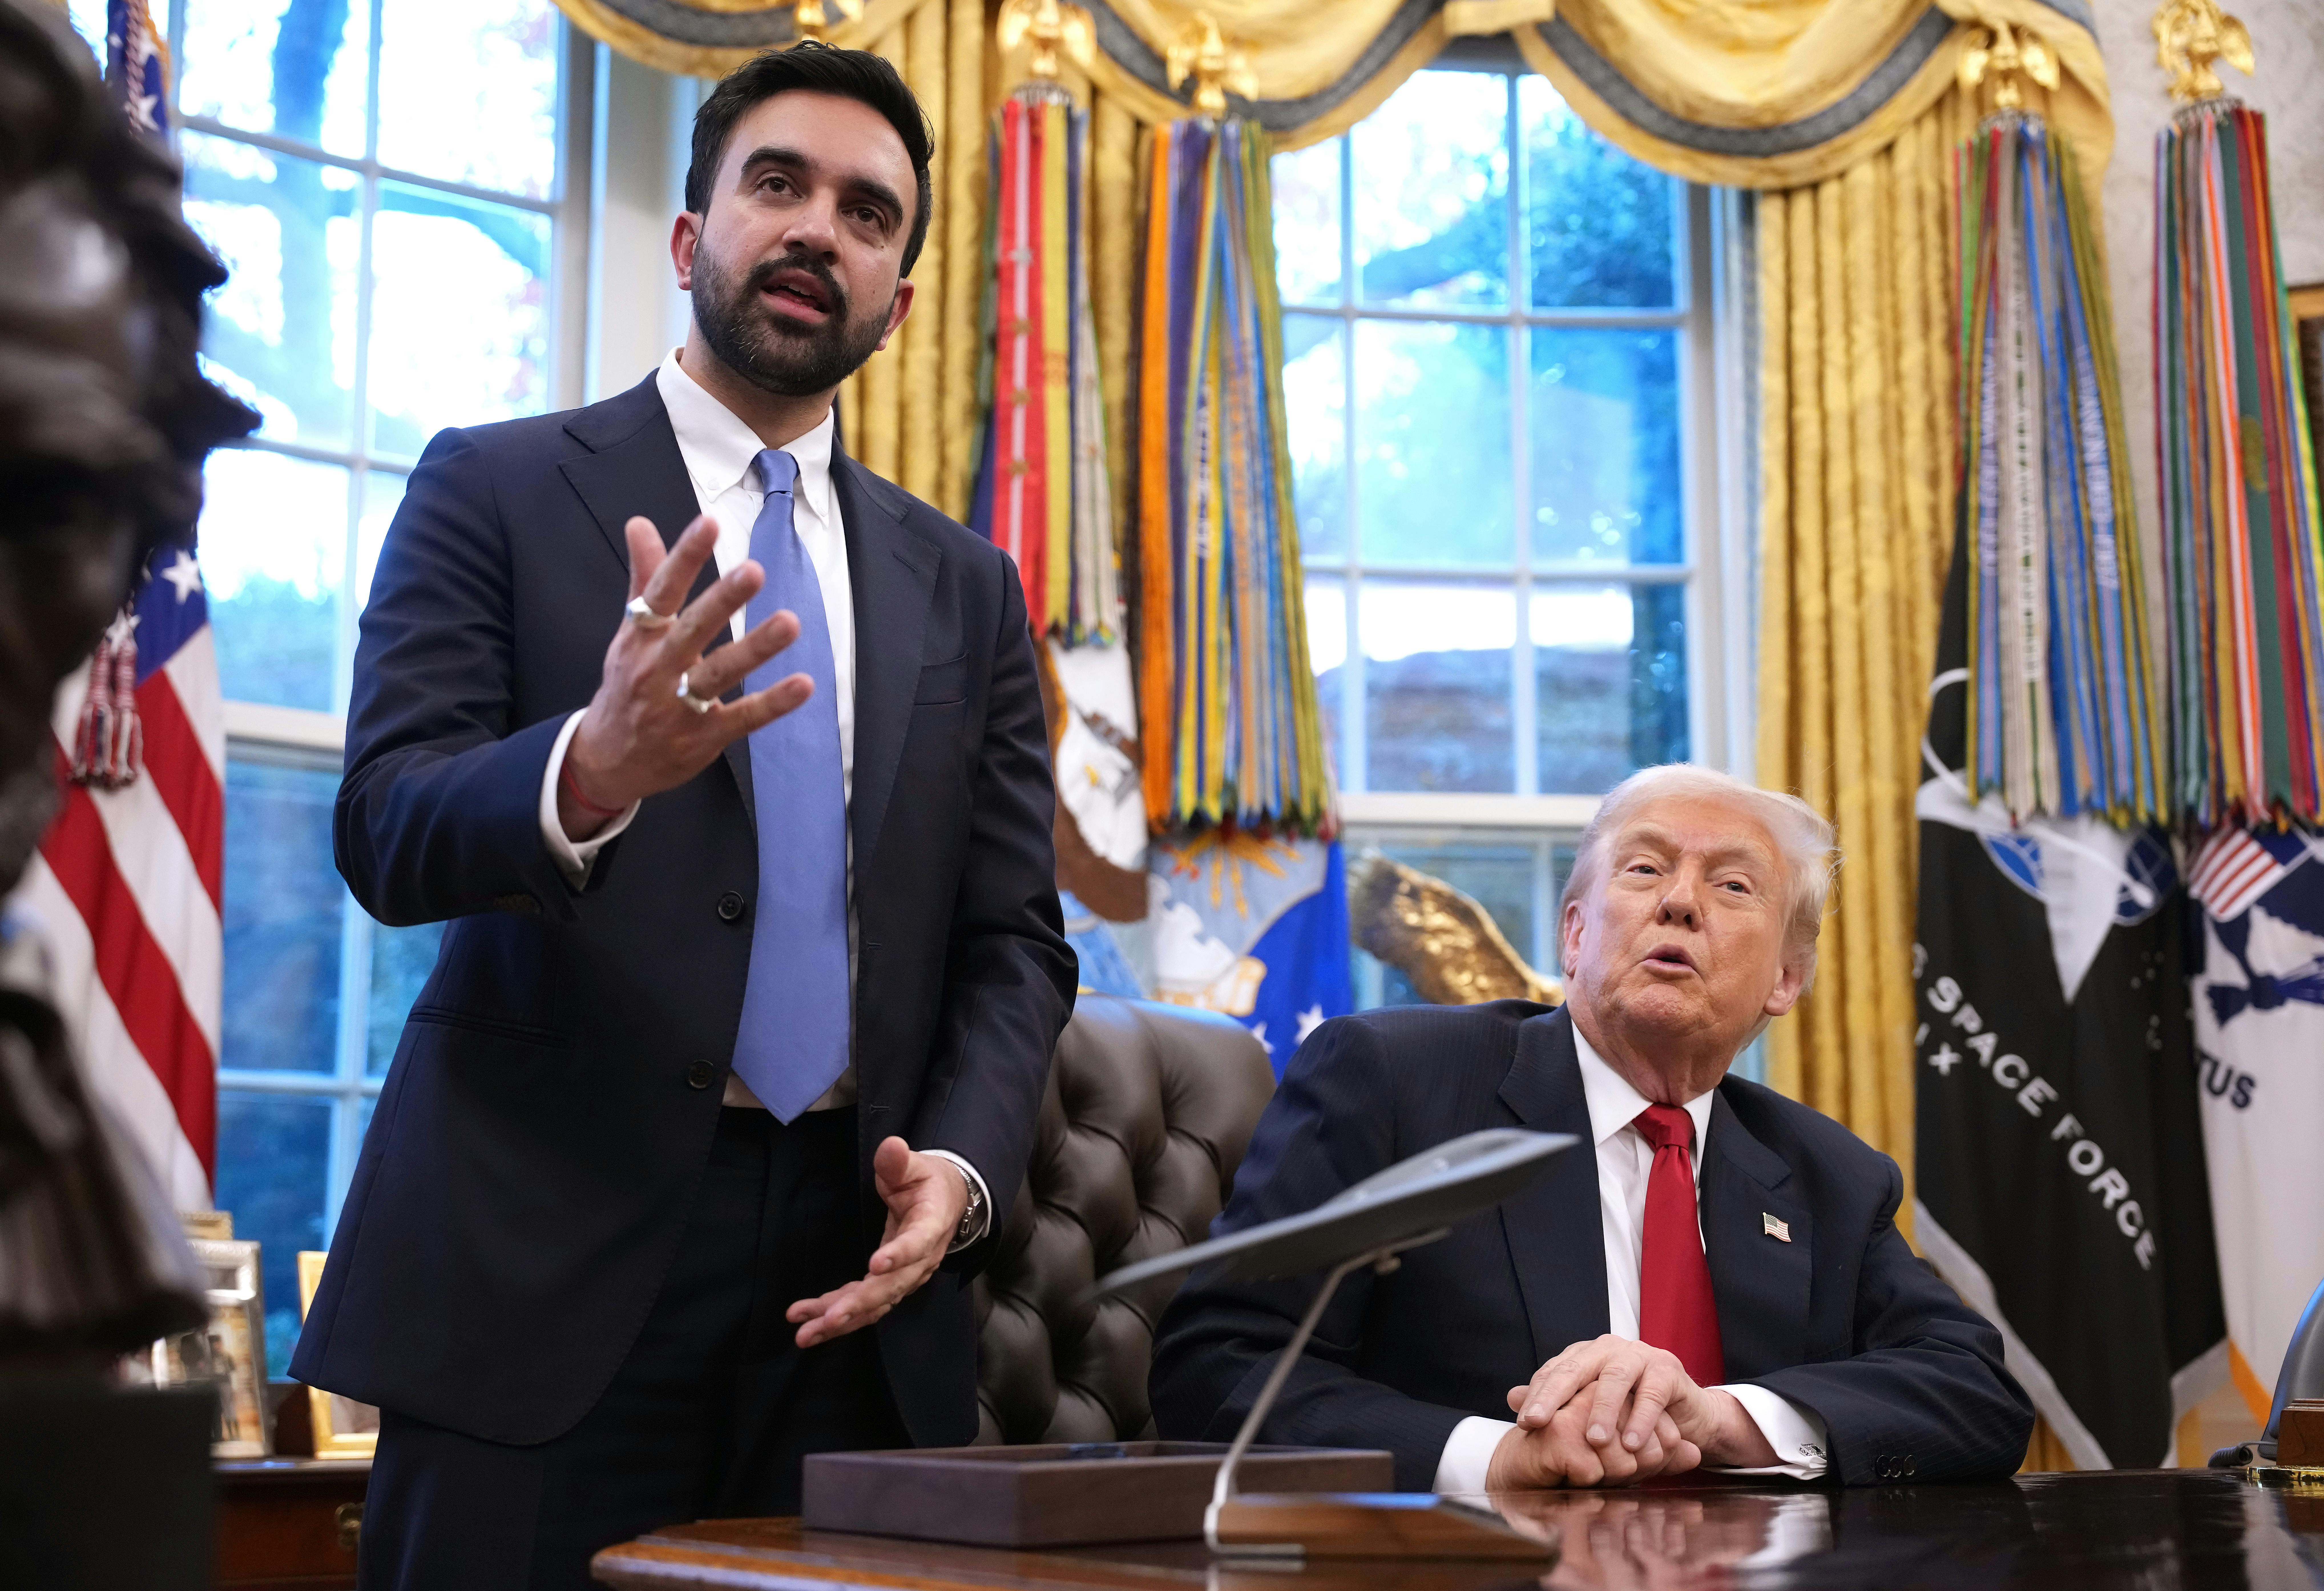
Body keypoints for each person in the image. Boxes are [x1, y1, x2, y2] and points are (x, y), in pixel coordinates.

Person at [291, 43, 1076, 1589]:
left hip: (854, 1289)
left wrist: (966, 1170)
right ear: (688, 235)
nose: (817, 229)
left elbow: (1014, 941)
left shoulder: (969, 587)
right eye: (777, 185)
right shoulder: (497, 486)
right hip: (540, 1271)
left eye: (866, 214)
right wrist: (588, 769)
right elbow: (383, 828)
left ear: (898, 303)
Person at [1150, 764, 2032, 1490]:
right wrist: (1498, 1458)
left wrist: (1720, 1416)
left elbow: (1977, 1392)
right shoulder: (1392, 1082)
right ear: (1574, 935)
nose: (1680, 902)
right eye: (1644, 869)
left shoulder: (1827, 1172)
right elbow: (1219, 1366)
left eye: (1733, 884)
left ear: (1785, 980)